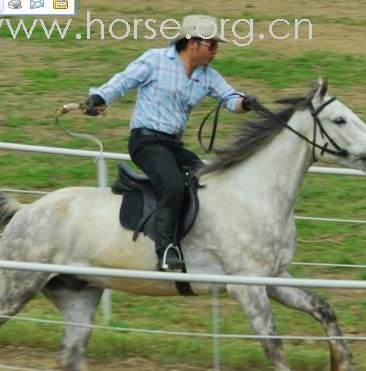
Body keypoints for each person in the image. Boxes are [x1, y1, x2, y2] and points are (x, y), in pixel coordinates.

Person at [84, 15, 258, 271]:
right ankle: (165, 249)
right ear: (192, 43)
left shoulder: (207, 76)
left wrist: (246, 103)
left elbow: (230, 98)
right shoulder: (155, 60)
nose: (215, 52)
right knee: (173, 184)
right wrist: (99, 97)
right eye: (212, 45)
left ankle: (193, 238)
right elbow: (123, 81)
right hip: (146, 142)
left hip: (173, 146)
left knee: (206, 180)